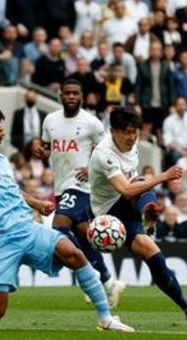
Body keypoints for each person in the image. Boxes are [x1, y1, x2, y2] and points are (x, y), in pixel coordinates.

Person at [0, 103, 134, 333]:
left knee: (75, 255)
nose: (2, 129)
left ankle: (106, 319)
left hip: (28, 228)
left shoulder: (1, 160)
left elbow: (11, 191)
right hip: (0, 238)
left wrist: (36, 202)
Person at [88, 106, 187, 326]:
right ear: (113, 131)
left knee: (155, 256)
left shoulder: (133, 145)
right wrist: (163, 176)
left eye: (135, 132)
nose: (131, 137)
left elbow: (131, 182)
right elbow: (127, 190)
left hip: (126, 204)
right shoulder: (104, 154)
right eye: (126, 132)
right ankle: (147, 211)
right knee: (140, 183)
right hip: (108, 212)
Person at [34, 79, 124, 306]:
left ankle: (88, 274)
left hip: (81, 185)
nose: (72, 97)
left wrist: (91, 167)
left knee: (59, 227)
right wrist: (40, 150)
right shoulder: (50, 120)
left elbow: (107, 150)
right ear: (60, 96)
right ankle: (108, 281)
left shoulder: (91, 123)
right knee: (85, 236)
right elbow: (46, 147)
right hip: (60, 185)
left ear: (81, 96)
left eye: (76, 93)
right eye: (68, 93)